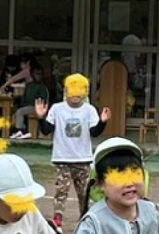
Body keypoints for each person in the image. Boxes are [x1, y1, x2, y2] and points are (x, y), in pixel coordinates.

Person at [40, 73, 109, 226]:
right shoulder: (57, 109)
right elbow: (46, 130)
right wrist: (41, 117)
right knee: (61, 190)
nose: (76, 98)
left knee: (84, 192)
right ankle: (57, 217)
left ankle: (85, 218)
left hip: (83, 158)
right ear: (66, 92)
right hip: (61, 158)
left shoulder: (89, 110)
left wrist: (103, 122)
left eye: (79, 94)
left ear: (85, 94)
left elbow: (94, 132)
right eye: (73, 94)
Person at [12, 61, 51, 140]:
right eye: (37, 74)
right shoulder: (29, 85)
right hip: (27, 107)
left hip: (37, 108)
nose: (39, 76)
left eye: (40, 74)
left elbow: (43, 101)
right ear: (32, 74)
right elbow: (24, 97)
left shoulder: (42, 87)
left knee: (20, 112)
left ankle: (20, 131)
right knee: (15, 115)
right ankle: (24, 130)